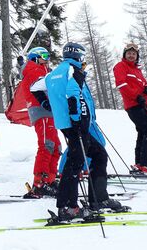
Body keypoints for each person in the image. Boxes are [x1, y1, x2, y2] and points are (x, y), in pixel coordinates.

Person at [45, 42, 125, 221]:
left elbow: (38, 88)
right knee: (75, 163)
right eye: (83, 57)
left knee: (98, 155)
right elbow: (73, 95)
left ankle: (98, 199)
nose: (83, 61)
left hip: (67, 124)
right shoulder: (73, 70)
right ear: (78, 55)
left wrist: (50, 105)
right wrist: (78, 119)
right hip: (76, 125)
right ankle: (68, 207)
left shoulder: (53, 74)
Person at [21, 47, 61, 198]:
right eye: (44, 55)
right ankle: (40, 183)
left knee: (55, 146)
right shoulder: (33, 69)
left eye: (48, 55)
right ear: (35, 57)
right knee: (47, 145)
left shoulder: (42, 70)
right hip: (41, 111)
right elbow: (37, 89)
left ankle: (49, 180)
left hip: (49, 112)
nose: (47, 58)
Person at [113, 43, 147, 173]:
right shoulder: (120, 66)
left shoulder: (137, 70)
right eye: (129, 53)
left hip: (143, 105)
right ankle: (146, 165)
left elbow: (144, 83)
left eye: (134, 53)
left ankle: (140, 163)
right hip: (134, 105)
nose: (131, 55)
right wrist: (137, 96)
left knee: (143, 132)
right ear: (124, 54)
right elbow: (121, 84)